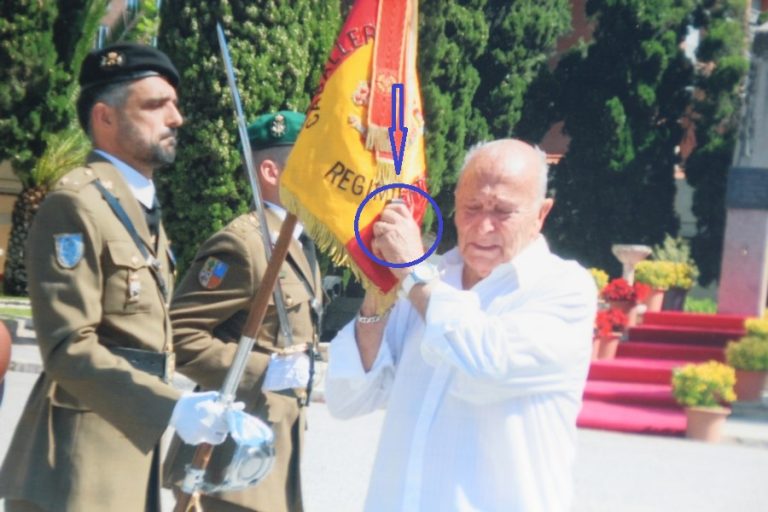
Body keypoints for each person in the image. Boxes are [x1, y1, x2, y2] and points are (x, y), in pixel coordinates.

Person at [0, 43, 237, 512]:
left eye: (174, 104)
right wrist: (172, 407)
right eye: (155, 105)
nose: (176, 118)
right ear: (105, 117)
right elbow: (68, 347)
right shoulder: (77, 203)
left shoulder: (138, 207)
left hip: (127, 446)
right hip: (79, 463)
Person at [325, 139, 598, 512]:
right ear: (454, 204)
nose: (483, 226)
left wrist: (411, 270)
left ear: (541, 213)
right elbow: (348, 399)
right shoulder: (430, 278)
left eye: (502, 211)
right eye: (472, 207)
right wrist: (377, 296)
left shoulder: (563, 288)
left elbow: (484, 363)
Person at [164, 111, 323, 512]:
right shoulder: (245, 245)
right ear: (270, 171)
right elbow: (178, 334)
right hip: (226, 460)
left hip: (271, 453)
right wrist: (264, 370)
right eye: (311, 162)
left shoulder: (300, 245)